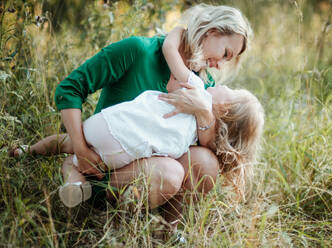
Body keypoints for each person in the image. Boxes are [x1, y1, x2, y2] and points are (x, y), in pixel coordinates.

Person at [12, 4, 253, 224]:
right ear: (211, 31)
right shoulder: (139, 51)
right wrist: (81, 148)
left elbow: (207, 146)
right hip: (102, 165)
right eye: (225, 53)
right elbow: (71, 88)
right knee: (170, 173)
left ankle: (167, 229)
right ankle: (105, 214)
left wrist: (203, 112)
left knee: (207, 162)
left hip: (149, 171)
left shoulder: (201, 84)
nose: (220, 65)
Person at [12, 73, 264, 210]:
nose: (218, 83)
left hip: (113, 126)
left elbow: (174, 80)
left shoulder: (200, 95)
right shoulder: (203, 137)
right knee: (74, 153)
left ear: (225, 107)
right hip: (127, 152)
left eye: (226, 88)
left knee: (67, 143)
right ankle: (73, 173)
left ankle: (31, 152)